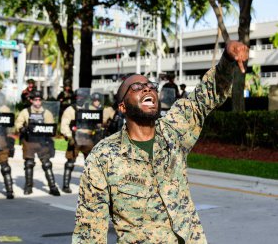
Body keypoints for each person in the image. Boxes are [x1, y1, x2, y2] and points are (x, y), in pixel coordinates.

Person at [72, 41, 249, 243]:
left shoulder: (173, 130)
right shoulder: (103, 156)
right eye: (137, 87)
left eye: (150, 86)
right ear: (122, 107)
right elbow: (89, 229)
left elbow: (205, 96)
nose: (147, 89)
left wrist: (226, 59)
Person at [15, 90, 61, 196]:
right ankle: (28, 186)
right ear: (31, 100)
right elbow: (18, 123)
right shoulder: (25, 112)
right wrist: (21, 128)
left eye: (39, 100)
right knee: (29, 164)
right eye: (35, 100)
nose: (38, 102)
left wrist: (50, 141)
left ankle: (52, 187)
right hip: (29, 141)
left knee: (47, 164)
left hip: (42, 142)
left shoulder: (46, 113)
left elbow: (51, 128)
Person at [60, 89, 105, 193]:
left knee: (91, 163)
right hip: (75, 138)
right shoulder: (70, 109)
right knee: (70, 162)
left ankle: (91, 185)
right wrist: (69, 136)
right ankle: (66, 185)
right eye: (78, 97)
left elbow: (97, 122)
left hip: (89, 138)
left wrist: (99, 130)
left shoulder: (89, 108)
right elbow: (64, 124)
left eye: (82, 97)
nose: (80, 99)